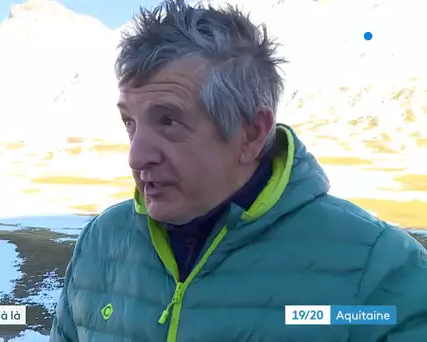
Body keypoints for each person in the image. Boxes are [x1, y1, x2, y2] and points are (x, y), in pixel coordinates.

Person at [49, 0, 427, 341]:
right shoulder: (101, 242)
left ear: (251, 132)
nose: (136, 156)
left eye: (168, 121)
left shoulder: (378, 268)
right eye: (130, 123)